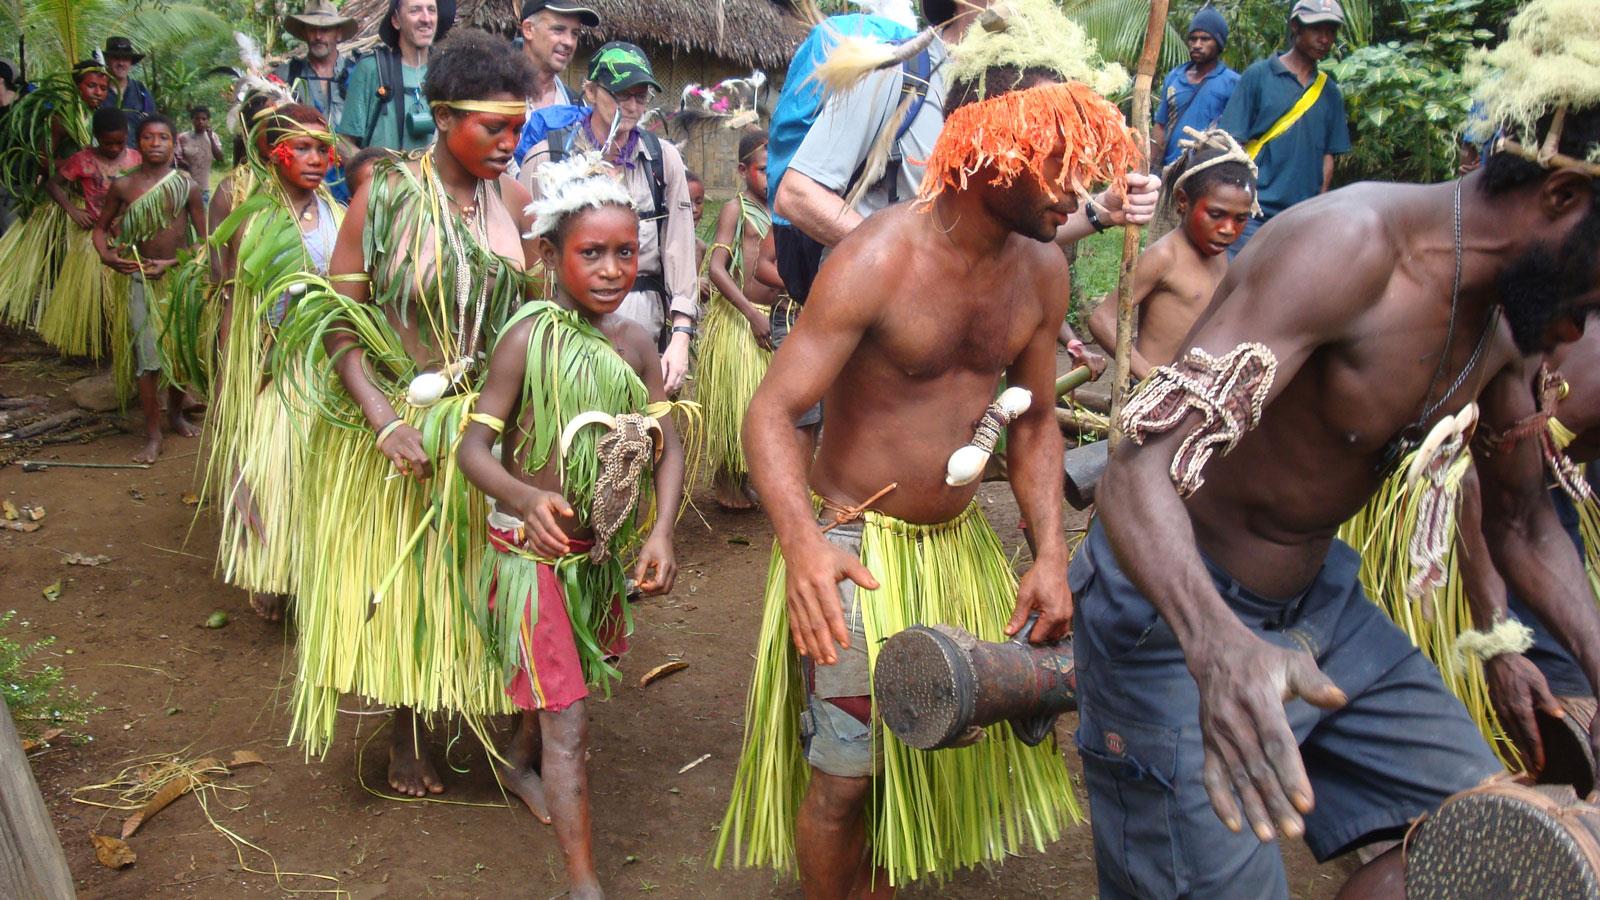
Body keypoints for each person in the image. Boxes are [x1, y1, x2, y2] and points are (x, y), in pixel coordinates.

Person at [1079, 7, 1600, 890]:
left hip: (1323, 607)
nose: (1591, 317)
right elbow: (1136, 469)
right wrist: (1219, 647)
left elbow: (1521, 519)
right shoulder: (1348, 249)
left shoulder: (1507, 323)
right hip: (1173, 615)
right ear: (1561, 199)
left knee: (1486, 851)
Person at [716, 2, 1144, 884]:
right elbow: (769, 412)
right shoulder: (876, 260)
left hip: (956, 548)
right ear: (988, 147)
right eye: (1053, 165)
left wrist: (1051, 555)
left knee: (941, 748)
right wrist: (803, 545)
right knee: (844, 781)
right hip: (854, 550)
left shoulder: (1042, 270)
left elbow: (1030, 419)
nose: (1073, 192)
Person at [280, 29, 536, 797]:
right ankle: (405, 734)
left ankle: (501, 718)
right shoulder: (383, 195)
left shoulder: (516, 201)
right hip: (408, 420)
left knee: (479, 571)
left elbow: (536, 315)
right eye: (495, 126)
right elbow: (336, 322)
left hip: (492, 425)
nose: (509, 142)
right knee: (414, 575)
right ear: (444, 115)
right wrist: (384, 420)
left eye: (518, 126)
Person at [458, 152, 688, 900]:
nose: (613, 268)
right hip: (532, 557)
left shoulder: (637, 344)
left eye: (627, 252)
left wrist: (660, 532)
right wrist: (526, 499)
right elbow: (473, 448)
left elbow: (667, 444)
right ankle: (583, 883)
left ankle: (516, 765)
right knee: (571, 721)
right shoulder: (528, 337)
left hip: (595, 558)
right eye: (592, 252)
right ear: (550, 256)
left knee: (560, 689)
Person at [202, 102, 341, 623]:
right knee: (272, 468)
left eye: (322, 149)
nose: (315, 159)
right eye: (301, 148)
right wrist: (237, 373)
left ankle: (313, 576)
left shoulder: (337, 214)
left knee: (317, 472)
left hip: (327, 361)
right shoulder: (256, 220)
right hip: (274, 365)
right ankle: (272, 572)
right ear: (273, 152)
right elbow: (238, 306)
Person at [519, 43, 699, 394]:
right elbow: (532, 259)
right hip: (567, 329)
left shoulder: (662, 160)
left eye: (640, 97)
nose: (632, 108)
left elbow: (679, 248)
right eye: (620, 95)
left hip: (644, 325)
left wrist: (680, 337)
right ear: (589, 91)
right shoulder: (548, 157)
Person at [1087, 129, 1257, 380]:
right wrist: (1152, 378)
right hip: (1157, 397)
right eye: (1216, 214)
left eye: (1240, 219)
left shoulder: (1219, 255)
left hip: (1197, 395)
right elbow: (1102, 319)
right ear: (1182, 201)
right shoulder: (1165, 256)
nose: (1228, 229)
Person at [94, 115, 207, 464]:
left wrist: (172, 264)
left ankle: (175, 414)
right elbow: (100, 230)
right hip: (141, 280)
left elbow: (205, 242)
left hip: (177, 282)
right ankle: (153, 433)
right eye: (147, 137)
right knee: (148, 360)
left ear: (175, 143)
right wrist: (108, 256)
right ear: (137, 143)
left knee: (178, 355)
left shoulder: (186, 186)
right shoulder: (123, 186)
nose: (155, 143)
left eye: (162, 138)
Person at [1218, 0, 1351, 257]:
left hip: (1300, 219)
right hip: (1252, 214)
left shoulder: (1330, 92)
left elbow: (1328, 157)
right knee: (1237, 287)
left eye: (1331, 31)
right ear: (1295, 27)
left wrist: (1317, 209)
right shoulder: (1258, 76)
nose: (1325, 39)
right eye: (1317, 29)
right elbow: (1233, 145)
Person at [0, 60, 112, 334]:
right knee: (56, 264)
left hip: (96, 204)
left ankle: (86, 327)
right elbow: (40, 158)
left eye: (103, 88)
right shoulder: (63, 118)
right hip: (64, 202)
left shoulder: (101, 120)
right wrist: (70, 166)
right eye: (91, 86)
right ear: (77, 87)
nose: (97, 92)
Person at [702, 129, 777, 510]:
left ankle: (753, 475)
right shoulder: (737, 209)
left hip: (774, 320)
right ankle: (729, 481)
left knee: (764, 403)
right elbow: (717, 269)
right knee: (738, 404)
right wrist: (749, 313)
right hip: (741, 321)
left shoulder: (782, 209)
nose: (772, 175)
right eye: (764, 169)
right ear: (742, 169)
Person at [35, 108, 141, 373]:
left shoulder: (137, 158)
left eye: (119, 142)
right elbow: (52, 184)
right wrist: (72, 209)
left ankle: (122, 348)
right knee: (91, 296)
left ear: (127, 136)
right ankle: (88, 347)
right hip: (94, 237)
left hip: (128, 236)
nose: (115, 148)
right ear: (96, 137)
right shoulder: (82, 160)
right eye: (108, 143)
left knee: (125, 297)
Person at [338, 0, 456, 152]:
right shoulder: (372, 69)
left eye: (432, 10)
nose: (426, 19)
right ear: (396, 20)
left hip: (435, 175)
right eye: (415, 10)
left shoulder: (448, 72)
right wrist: (373, 173)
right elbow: (344, 142)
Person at [276, 0, 360, 198]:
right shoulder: (287, 75)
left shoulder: (358, 73)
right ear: (305, 33)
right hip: (303, 183)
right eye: (312, 29)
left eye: (325, 29)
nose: (318, 36)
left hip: (350, 182)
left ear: (338, 33)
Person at [1152, 5, 1239, 168]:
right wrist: (1151, 165)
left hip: (1208, 171)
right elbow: (1160, 125)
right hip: (1170, 170)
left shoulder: (1232, 83)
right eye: (1193, 38)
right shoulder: (1175, 77)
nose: (1197, 44)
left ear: (1218, 43)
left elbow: (1236, 135)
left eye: (1205, 39)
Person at [519, 0, 595, 110]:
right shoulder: (493, 92)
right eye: (558, 30)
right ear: (528, 29)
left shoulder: (574, 104)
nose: (569, 42)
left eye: (575, 33)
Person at [99, 37, 156, 134]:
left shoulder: (141, 92)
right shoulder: (97, 90)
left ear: (131, 62)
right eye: (116, 58)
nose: (121, 63)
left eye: (125, 59)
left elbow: (153, 124)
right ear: (107, 60)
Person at [175, 106, 225, 206]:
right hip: (184, 187)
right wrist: (186, 165)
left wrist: (210, 138)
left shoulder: (213, 137)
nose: (200, 121)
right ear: (192, 120)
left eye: (204, 119)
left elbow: (220, 158)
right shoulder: (183, 137)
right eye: (197, 118)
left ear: (208, 121)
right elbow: (176, 159)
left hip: (203, 190)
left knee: (200, 219)